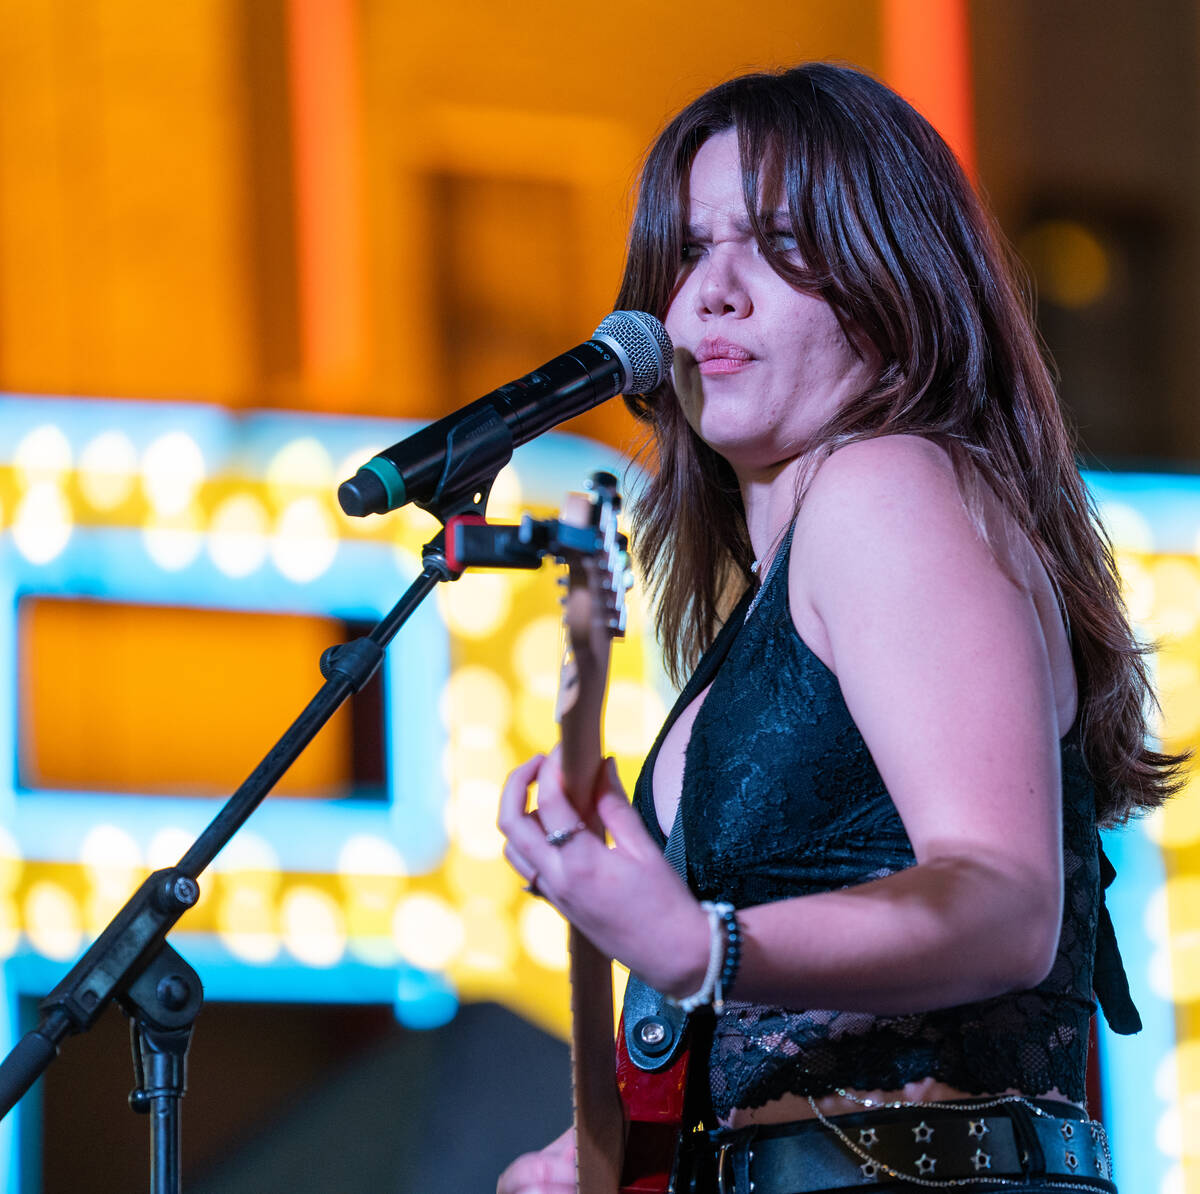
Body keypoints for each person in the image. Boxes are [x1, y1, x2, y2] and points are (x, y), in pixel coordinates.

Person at [495, 63, 1183, 1194]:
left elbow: (1004, 901)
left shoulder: (883, 486)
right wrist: (615, 1152)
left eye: (775, 243)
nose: (713, 291)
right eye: (690, 250)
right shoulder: (779, 587)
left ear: (893, 284)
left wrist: (698, 945)